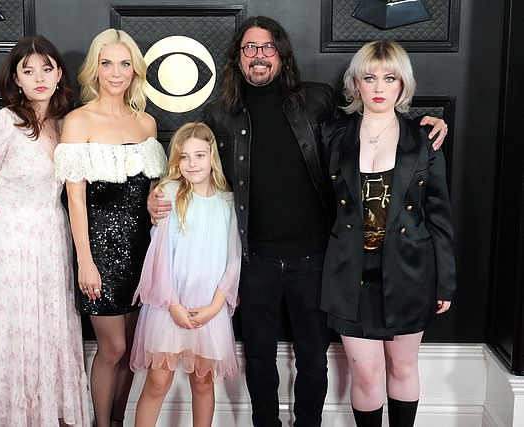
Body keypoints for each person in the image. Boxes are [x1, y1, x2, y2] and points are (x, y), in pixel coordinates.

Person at [148, 16, 449, 427]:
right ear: (238, 58)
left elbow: (373, 125)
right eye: (249, 48)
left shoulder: (318, 101)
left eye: (268, 47)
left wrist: (426, 124)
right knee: (258, 356)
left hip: (316, 258)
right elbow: (196, 167)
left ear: (282, 54)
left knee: (313, 358)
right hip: (256, 259)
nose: (259, 55)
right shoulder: (222, 116)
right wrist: (157, 192)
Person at [320, 39, 456, 427]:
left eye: (389, 78)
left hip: (411, 271)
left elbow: (439, 214)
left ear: (402, 85)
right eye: (370, 77)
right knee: (364, 372)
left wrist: (445, 283)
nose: (379, 87)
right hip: (348, 272)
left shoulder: (425, 138)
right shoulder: (333, 135)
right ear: (356, 84)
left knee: (402, 367)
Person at [0, 36, 89, 426]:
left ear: (59, 75)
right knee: (12, 331)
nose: (39, 77)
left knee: (49, 328)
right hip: (7, 243)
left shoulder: (67, 125)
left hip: (51, 240)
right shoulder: (2, 124)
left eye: (47, 68)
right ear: (16, 78)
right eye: (28, 70)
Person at [53, 29, 167, 427]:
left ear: (135, 69)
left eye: (123, 63)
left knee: (133, 349)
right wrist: (85, 260)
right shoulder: (78, 121)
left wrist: (157, 201)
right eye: (107, 63)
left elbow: (152, 192)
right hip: (99, 250)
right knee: (113, 348)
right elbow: (75, 200)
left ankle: (118, 421)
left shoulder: (147, 124)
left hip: (142, 249)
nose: (116, 72)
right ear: (95, 70)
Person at [130, 122, 242, 427]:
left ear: (212, 157)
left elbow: (233, 259)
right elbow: (159, 257)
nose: (192, 164)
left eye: (200, 155)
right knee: (157, 382)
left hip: (209, 309)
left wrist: (216, 306)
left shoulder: (228, 202)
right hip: (169, 306)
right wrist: (173, 304)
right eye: (184, 157)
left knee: (203, 384)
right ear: (176, 161)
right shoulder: (168, 192)